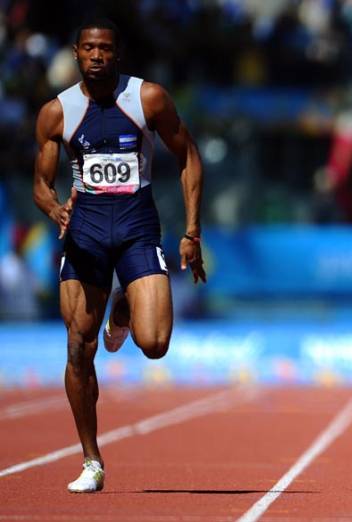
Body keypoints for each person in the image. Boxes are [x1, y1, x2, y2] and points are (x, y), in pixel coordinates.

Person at [32, 18, 206, 493]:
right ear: (75, 52)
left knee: (154, 344)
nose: (96, 56)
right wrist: (54, 209)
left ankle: (125, 302)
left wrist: (192, 231)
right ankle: (91, 459)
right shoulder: (57, 112)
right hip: (85, 232)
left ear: (117, 54)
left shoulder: (146, 99)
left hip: (136, 228)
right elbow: (41, 185)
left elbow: (188, 154)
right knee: (77, 346)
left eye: (104, 48)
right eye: (88, 48)